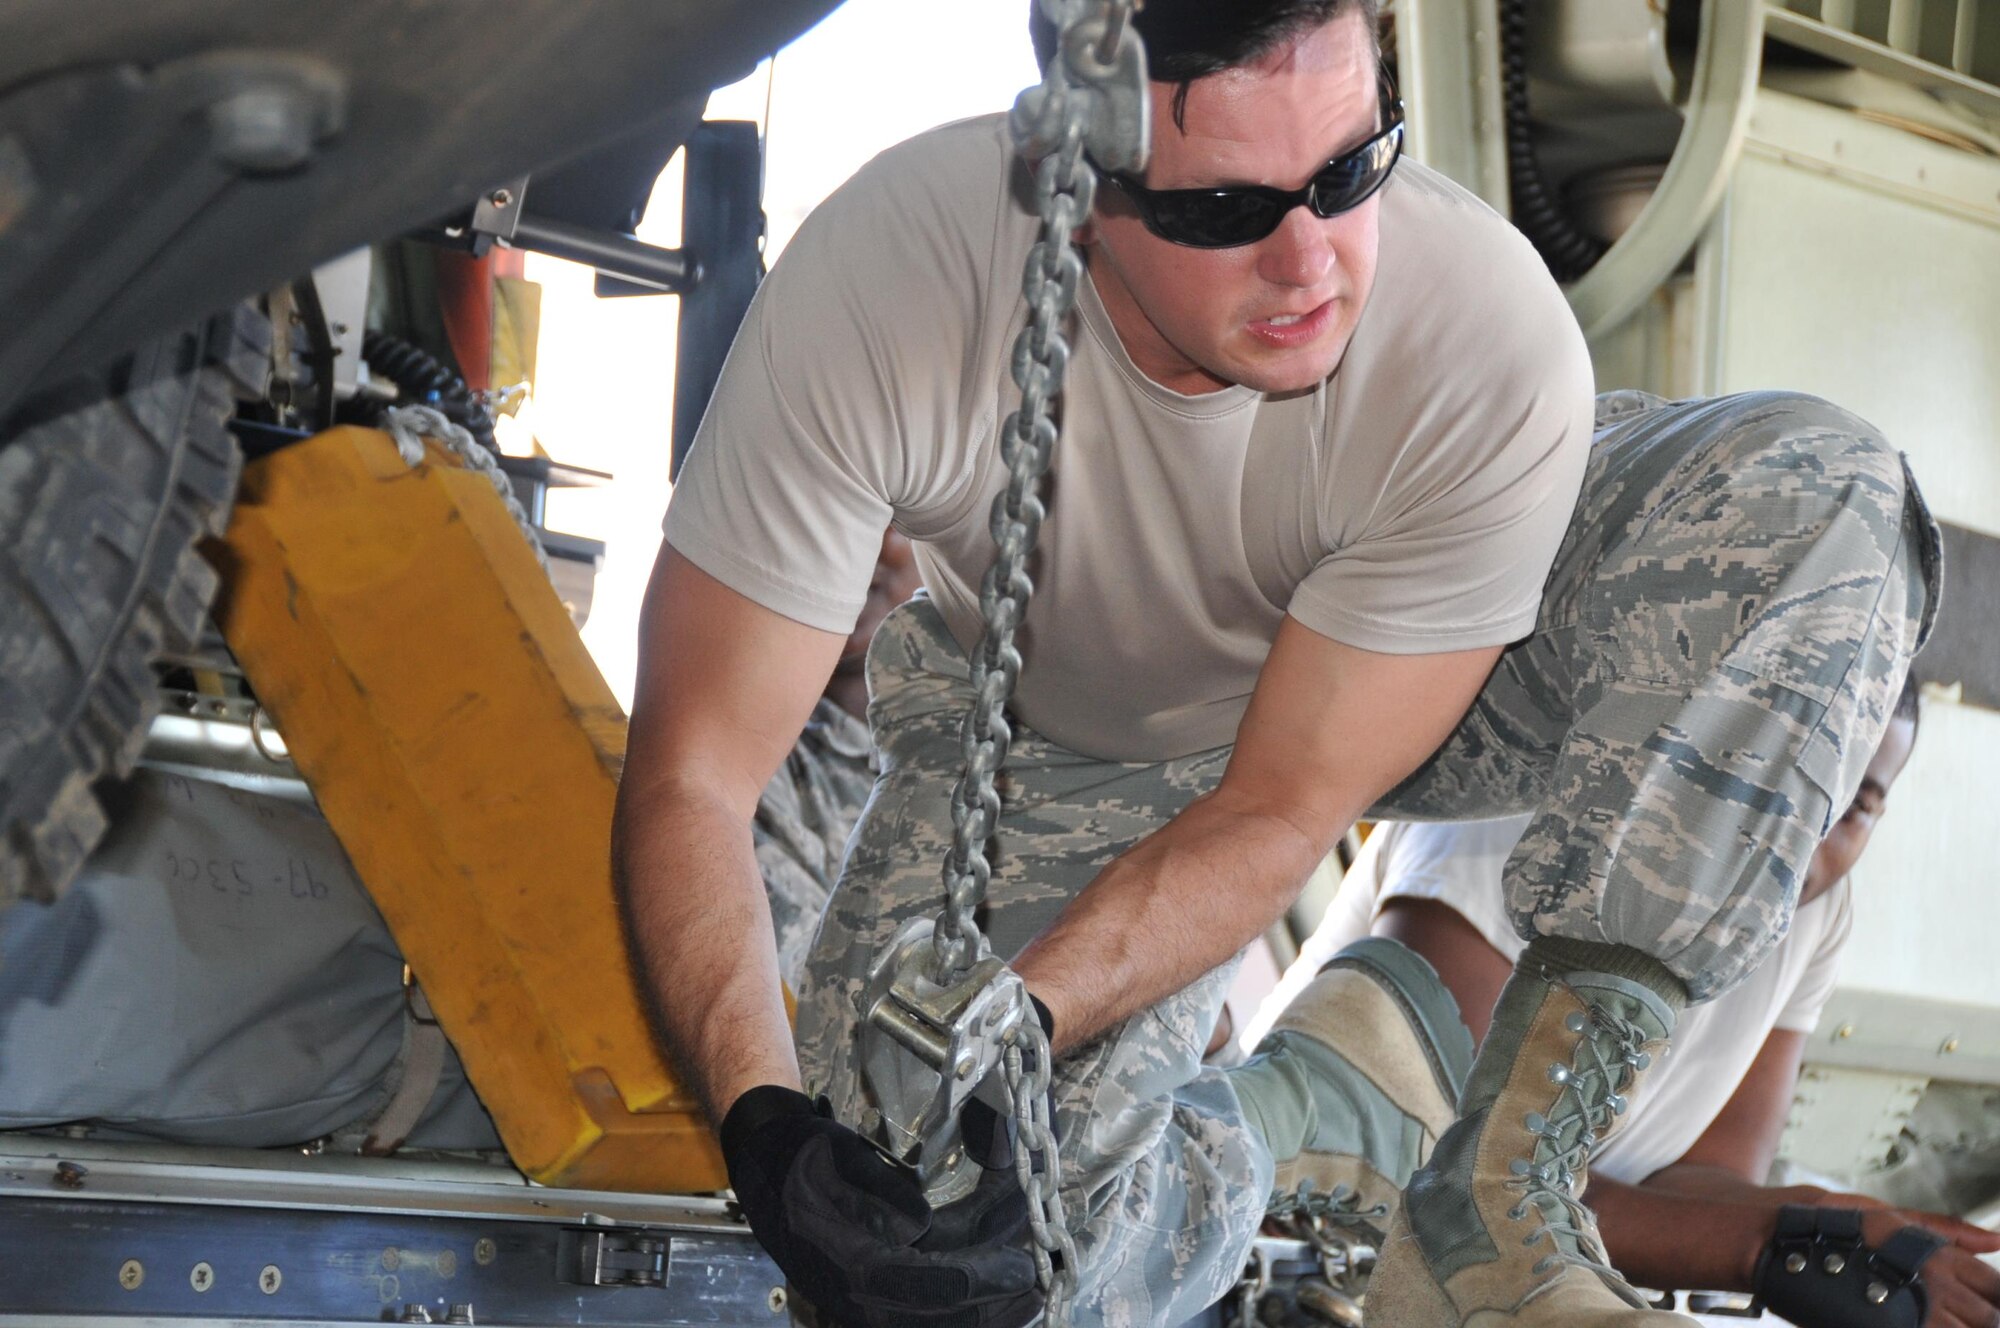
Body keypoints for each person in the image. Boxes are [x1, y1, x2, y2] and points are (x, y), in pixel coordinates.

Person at [612, 3, 1939, 1326]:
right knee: (935, 1256)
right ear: (1072, 192)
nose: (1312, 263)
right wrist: (763, 1116)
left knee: (1813, 495)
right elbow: (696, 776)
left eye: (1351, 173)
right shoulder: (886, 288)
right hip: (1072, 733)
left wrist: (1020, 1020)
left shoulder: (1478, 331)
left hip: (1426, 664)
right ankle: (1311, 1113)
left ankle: (1504, 1195)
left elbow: (1282, 808)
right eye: (1227, 208)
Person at [1267, 680, 2000, 1322]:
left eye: (1854, 811)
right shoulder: (1541, 806)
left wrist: (1844, 1224)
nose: (1806, 843)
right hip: (1276, 1250)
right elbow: (1445, 1167)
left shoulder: (1814, 917)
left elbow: (1691, 1184)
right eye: (1795, 788)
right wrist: (1785, 1247)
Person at [754, 531, 923, 988]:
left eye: (890, 512)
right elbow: (809, 1008)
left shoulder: (1019, 760)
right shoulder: (750, 766)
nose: (851, 532)